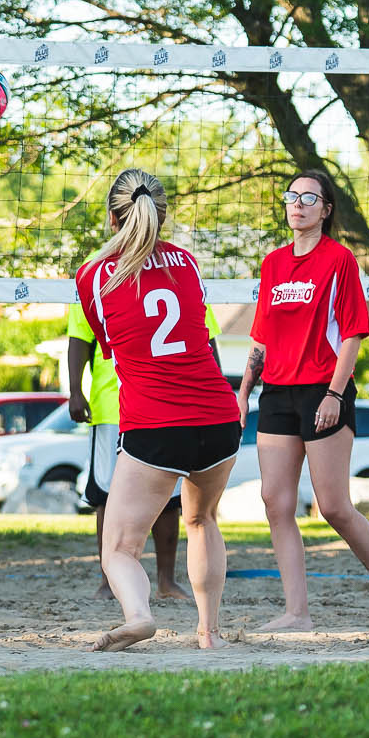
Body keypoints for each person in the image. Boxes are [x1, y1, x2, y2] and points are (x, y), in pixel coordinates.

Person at [75, 168, 241, 652]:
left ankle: (140, 616)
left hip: (156, 423)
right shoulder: (187, 264)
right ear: (162, 217)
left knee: (121, 548)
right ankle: (209, 632)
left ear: (112, 218)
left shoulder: (94, 276)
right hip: (218, 415)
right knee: (202, 521)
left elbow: (112, 347)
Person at [238, 172, 369, 630]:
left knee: (333, 506)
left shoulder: (339, 260)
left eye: (309, 198)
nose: (298, 204)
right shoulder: (272, 263)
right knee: (275, 500)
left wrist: (336, 392)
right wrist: (243, 391)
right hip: (276, 391)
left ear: (325, 210)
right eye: (292, 197)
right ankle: (297, 613)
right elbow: (262, 337)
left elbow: (352, 333)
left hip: (322, 389)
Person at [65, 295, 195, 602]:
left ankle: (166, 580)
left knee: (169, 496)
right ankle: (109, 580)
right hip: (112, 405)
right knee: (106, 496)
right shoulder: (96, 271)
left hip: (165, 402)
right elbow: (79, 337)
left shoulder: (176, 267)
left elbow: (203, 336)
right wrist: (75, 391)